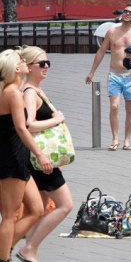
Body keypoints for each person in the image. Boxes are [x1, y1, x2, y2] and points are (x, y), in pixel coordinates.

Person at [16, 46, 74, 262]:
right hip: (39, 158)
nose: (47, 67)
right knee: (65, 205)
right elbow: (28, 125)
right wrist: (56, 119)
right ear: (29, 67)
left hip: (40, 157)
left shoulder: (36, 89)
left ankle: (16, 246)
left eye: (48, 63)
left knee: (37, 209)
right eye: (42, 64)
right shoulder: (30, 92)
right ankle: (29, 248)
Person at [0, 49, 52, 262]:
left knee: (37, 209)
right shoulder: (11, 92)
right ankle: (4, 257)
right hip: (11, 156)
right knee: (10, 215)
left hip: (16, 156)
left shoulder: (13, 90)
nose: (24, 63)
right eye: (21, 61)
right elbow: (22, 129)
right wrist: (40, 154)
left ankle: (5, 247)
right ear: (15, 67)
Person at [86, 3, 131, 151]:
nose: (127, 14)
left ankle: (127, 140)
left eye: (130, 13)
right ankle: (115, 137)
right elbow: (101, 51)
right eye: (125, 11)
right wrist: (91, 72)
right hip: (114, 74)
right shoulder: (112, 32)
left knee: (130, 109)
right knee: (114, 106)